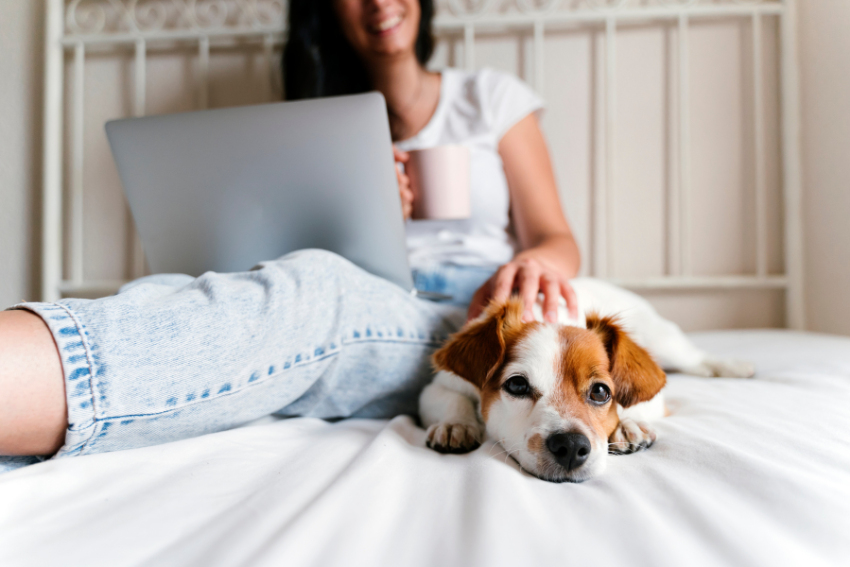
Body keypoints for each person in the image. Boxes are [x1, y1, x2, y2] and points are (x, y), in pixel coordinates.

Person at [0, 0, 580, 473]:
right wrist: (369, 207)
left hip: (463, 316)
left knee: (318, 293)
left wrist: (533, 263)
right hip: (375, 289)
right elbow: (296, 253)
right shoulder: (320, 126)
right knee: (178, 287)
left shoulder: (490, 99)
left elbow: (558, 239)